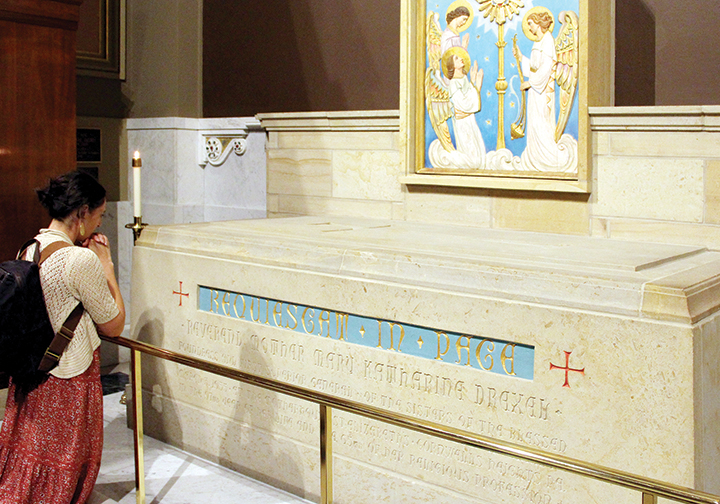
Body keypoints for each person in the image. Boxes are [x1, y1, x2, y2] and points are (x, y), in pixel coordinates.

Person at [0, 170, 125, 504]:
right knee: (64, 454)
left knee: (31, 447)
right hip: (68, 375)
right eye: (99, 215)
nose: (99, 224)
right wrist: (107, 266)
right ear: (82, 212)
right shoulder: (80, 259)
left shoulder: (31, 247)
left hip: (33, 371)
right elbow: (113, 324)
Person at [513, 10, 574, 172]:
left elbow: (546, 68)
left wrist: (530, 83)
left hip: (542, 91)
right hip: (536, 91)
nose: (529, 28)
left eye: (531, 24)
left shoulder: (547, 41)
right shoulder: (538, 41)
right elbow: (535, 67)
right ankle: (536, 157)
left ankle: (547, 158)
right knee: (534, 122)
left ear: (539, 23)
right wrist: (521, 58)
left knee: (541, 122)